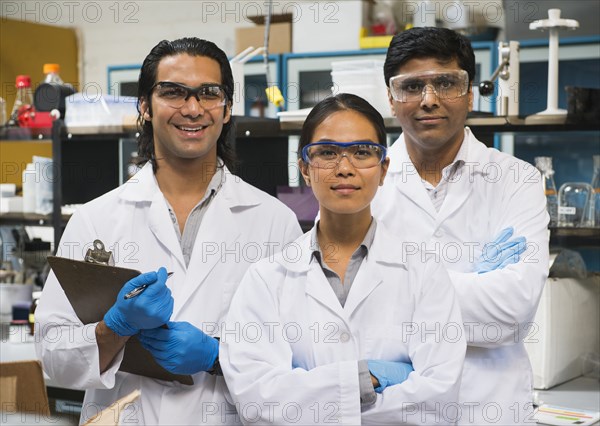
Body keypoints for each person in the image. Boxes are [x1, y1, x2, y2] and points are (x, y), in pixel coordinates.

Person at [35, 37, 301, 425]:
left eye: (209, 93)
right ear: (145, 105)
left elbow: (301, 356)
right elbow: (51, 354)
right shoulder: (96, 220)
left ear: (226, 108)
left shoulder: (275, 223)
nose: (192, 109)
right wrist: (114, 328)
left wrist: (217, 357)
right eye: (173, 92)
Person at [220, 93, 466, 424]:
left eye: (363, 152)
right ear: (305, 169)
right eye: (327, 153)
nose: (345, 168)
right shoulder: (267, 277)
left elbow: (436, 401)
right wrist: (363, 380)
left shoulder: (423, 270)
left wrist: (308, 390)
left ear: (383, 169)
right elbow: (258, 401)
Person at [371, 27, 550, 425]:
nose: (429, 100)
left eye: (446, 83)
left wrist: (391, 287)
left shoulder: (516, 180)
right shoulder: (360, 180)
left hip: (489, 407)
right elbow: (340, 303)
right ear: (391, 97)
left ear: (469, 93)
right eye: (412, 85)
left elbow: (511, 313)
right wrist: (471, 284)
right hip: (395, 408)